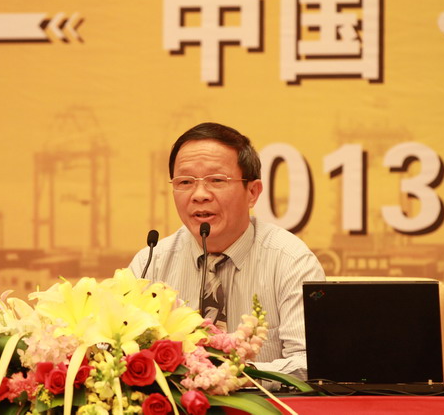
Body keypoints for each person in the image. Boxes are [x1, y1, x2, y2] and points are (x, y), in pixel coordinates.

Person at [129, 122, 325, 379]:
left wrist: (227, 376)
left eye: (217, 180)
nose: (199, 195)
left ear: (252, 192)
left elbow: (310, 363)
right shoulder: (151, 263)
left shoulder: (290, 261)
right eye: (185, 181)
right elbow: (120, 354)